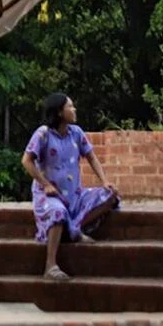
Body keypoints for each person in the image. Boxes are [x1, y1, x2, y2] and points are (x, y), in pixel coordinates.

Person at [22, 93, 121, 280]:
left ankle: (74, 228)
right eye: (70, 107)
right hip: (49, 197)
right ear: (60, 112)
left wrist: (104, 181)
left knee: (110, 196)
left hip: (75, 195)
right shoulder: (43, 134)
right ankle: (50, 266)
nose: (74, 110)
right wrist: (45, 184)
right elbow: (26, 161)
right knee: (57, 213)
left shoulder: (76, 133)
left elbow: (91, 156)